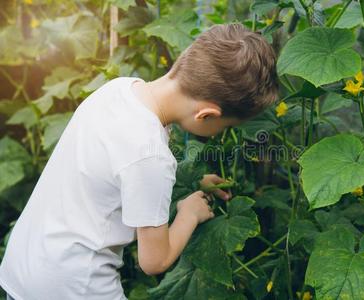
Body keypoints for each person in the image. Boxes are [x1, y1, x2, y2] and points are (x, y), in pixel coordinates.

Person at [0, 22, 278, 299]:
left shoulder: (119, 90)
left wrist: (191, 183)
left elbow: (119, 178)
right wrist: (188, 214)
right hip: (74, 286)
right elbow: (154, 261)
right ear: (205, 115)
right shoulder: (151, 155)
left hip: (28, 265)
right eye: (225, 127)